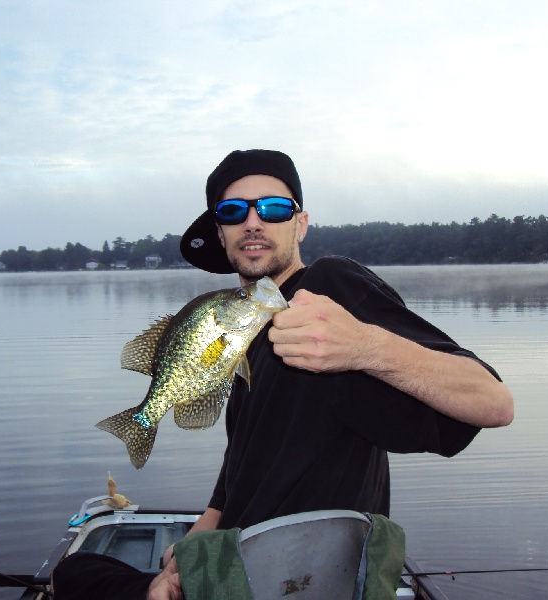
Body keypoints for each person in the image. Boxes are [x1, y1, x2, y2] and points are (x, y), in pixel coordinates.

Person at [52, 149, 513, 600]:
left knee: (77, 574)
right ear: (221, 232)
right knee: (76, 572)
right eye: (234, 211)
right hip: (228, 565)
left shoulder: (328, 288)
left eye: (273, 208)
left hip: (303, 578)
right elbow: (242, 466)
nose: (253, 221)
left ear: (301, 224)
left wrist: (367, 347)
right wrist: (195, 546)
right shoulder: (242, 333)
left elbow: (493, 403)